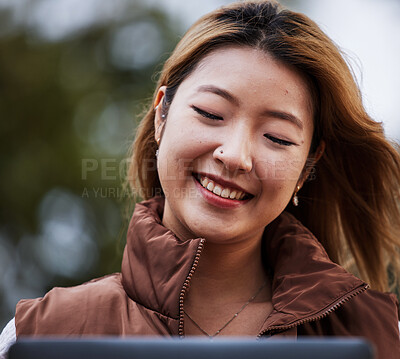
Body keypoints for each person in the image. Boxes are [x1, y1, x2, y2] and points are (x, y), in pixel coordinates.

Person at [1, 1, 400, 358]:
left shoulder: (381, 338)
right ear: (162, 116)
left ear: (308, 166)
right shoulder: (42, 332)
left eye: (277, 138)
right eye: (211, 113)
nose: (235, 156)